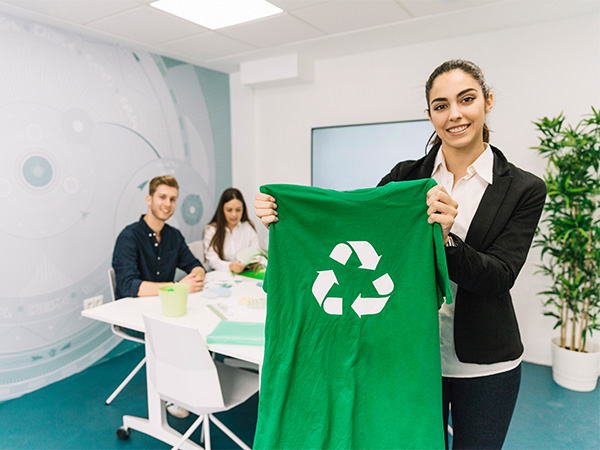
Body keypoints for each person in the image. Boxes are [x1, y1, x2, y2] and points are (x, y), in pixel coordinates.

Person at [254, 60, 546, 449]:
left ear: (487, 102)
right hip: (406, 354)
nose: (454, 114)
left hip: (483, 363)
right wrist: (288, 217)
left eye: (466, 99)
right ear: (429, 115)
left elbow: (499, 276)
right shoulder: (405, 178)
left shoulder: (523, 188)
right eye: (441, 105)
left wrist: (446, 240)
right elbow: (354, 224)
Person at [112, 175, 205, 420]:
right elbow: (128, 286)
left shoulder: (173, 236)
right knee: (185, 331)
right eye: (162, 197)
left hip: (168, 309)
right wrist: (176, 287)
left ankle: (194, 387)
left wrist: (197, 274)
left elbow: (194, 264)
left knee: (199, 322)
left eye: (173, 199)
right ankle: (177, 393)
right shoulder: (129, 237)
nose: (168, 204)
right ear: (149, 199)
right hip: (137, 314)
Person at [203, 187, 260, 273]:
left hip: (244, 273)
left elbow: (256, 254)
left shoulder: (248, 227)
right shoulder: (211, 230)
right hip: (220, 274)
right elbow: (212, 260)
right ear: (222, 210)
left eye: (238, 210)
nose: (234, 214)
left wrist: (252, 263)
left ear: (243, 209)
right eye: (229, 210)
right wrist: (230, 266)